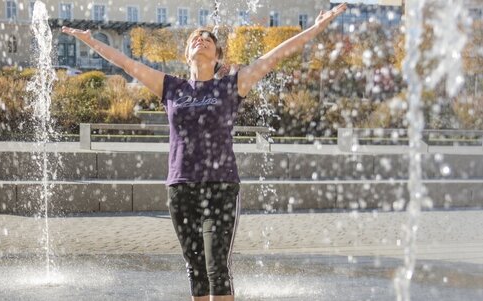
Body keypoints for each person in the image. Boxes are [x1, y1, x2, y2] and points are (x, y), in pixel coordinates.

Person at [61, 3, 347, 301]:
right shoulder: (171, 87)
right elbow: (127, 64)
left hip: (220, 187)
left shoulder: (231, 86)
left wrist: (315, 29)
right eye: (196, 38)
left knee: (217, 268)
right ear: (187, 55)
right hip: (181, 188)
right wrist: (92, 42)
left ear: (217, 55)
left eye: (208, 39)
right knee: (195, 268)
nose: (201, 40)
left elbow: (274, 57)